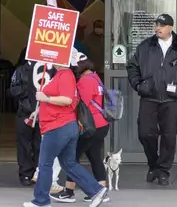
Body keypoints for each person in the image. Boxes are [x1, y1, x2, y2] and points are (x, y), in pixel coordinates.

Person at [24, 49, 108, 207]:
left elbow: (67, 99)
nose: (51, 59)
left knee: (45, 164)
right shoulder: (63, 75)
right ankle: (96, 190)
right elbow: (61, 100)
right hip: (64, 126)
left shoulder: (65, 75)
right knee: (69, 163)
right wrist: (39, 110)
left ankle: (41, 201)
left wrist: (45, 97)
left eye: (54, 56)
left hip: (58, 127)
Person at [126, 14, 177, 186]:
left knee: (168, 136)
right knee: (145, 133)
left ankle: (163, 170)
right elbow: (132, 67)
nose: (157, 27)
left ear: (170, 27)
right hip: (149, 97)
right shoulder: (146, 46)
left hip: (171, 99)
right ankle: (154, 165)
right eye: (156, 24)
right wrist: (139, 85)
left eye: (162, 25)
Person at [50, 52, 110, 203]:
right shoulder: (95, 77)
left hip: (91, 127)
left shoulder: (84, 81)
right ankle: (102, 190)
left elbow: (78, 104)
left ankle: (69, 192)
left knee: (71, 158)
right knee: (95, 156)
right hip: (101, 124)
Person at [10, 60, 56, 186]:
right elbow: (14, 89)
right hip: (25, 112)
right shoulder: (21, 70)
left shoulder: (50, 69)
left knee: (40, 145)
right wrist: (29, 93)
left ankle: (39, 172)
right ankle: (25, 173)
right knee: (24, 144)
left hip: (45, 113)